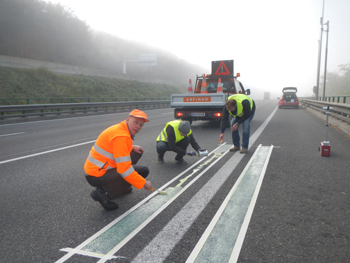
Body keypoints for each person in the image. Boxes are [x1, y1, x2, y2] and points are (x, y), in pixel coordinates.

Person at [84, 109, 153, 211]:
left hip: (99, 168)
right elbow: (124, 169)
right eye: (136, 122)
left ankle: (121, 187)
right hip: (96, 174)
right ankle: (102, 194)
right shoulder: (121, 136)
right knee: (141, 172)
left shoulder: (121, 128)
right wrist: (143, 183)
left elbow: (115, 147)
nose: (138, 126)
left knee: (136, 154)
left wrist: (131, 146)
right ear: (128, 119)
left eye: (141, 125)